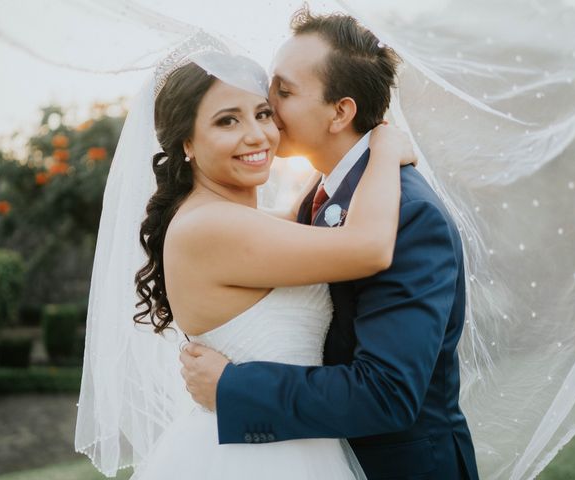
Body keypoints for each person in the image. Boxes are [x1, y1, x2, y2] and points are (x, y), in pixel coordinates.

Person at [179, 8, 480, 480]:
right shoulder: (324, 198)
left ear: (340, 112)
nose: (266, 105)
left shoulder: (409, 215)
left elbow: (387, 394)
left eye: (283, 91)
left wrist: (232, 388)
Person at [121, 36, 417, 477]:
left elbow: (309, 209)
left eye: (263, 113)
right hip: (259, 457)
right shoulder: (212, 228)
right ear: (187, 143)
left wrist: (338, 151)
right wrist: (385, 147)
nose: (256, 134)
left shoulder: (230, 220)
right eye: (227, 122)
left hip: (280, 435)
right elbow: (368, 248)